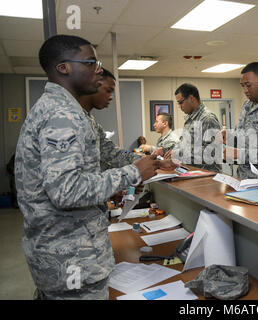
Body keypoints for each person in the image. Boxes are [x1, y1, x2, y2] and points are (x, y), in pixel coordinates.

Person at [14, 34, 175, 300]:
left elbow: (106, 155)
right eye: (90, 63)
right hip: (71, 255)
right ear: (63, 67)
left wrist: (149, 164)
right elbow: (66, 191)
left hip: (65, 251)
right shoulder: (61, 115)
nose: (97, 70)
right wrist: (132, 173)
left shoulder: (70, 111)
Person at [79, 68, 142, 171]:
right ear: (92, 86)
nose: (111, 97)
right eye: (108, 91)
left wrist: (147, 160)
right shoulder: (71, 120)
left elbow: (112, 152)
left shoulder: (91, 122)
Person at [169, 83, 221, 172]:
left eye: (181, 102)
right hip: (192, 172)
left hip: (207, 175)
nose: (180, 106)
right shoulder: (190, 119)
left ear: (191, 98)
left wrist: (181, 153)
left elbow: (213, 152)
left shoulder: (207, 118)